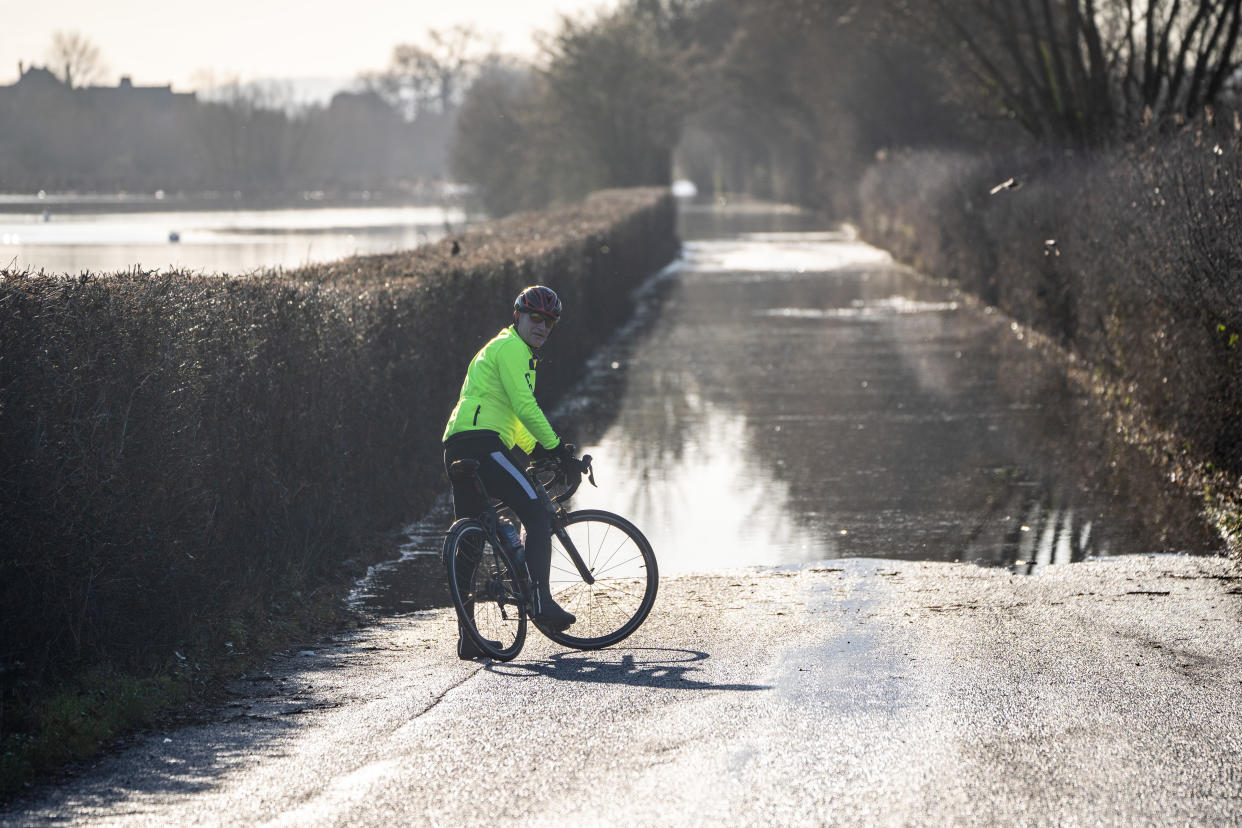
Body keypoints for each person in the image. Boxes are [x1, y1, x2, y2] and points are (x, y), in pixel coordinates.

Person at [442, 285, 577, 659]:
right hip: (483, 445)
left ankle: (469, 639)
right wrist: (556, 449)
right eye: (536, 317)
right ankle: (543, 603)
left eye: (550, 321)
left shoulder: (502, 351)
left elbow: (513, 417)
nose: (543, 326)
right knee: (535, 512)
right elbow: (526, 405)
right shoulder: (512, 349)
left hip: (457, 444)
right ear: (517, 316)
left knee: (470, 539)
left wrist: (537, 449)